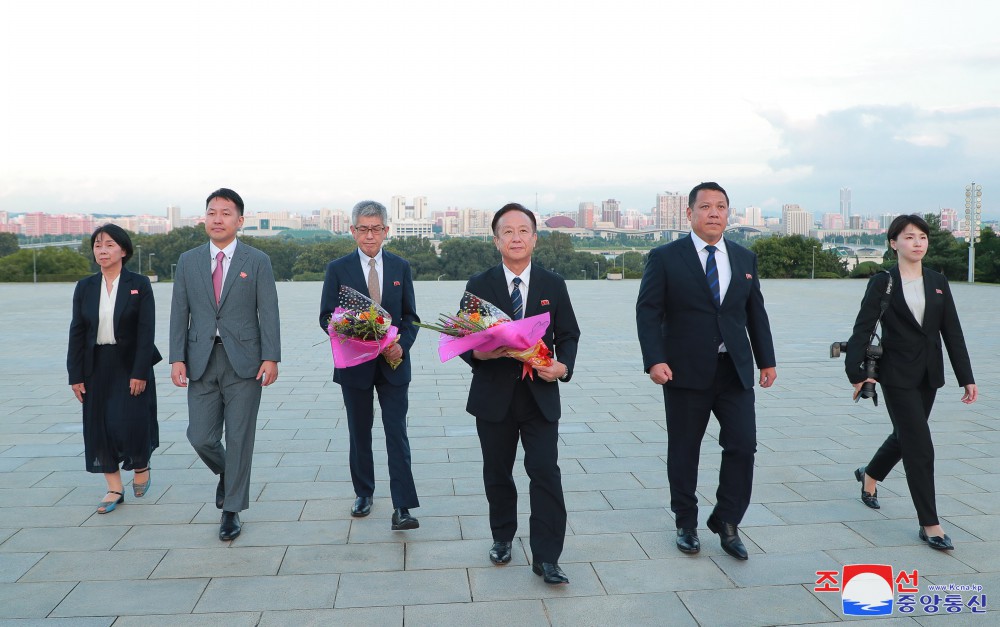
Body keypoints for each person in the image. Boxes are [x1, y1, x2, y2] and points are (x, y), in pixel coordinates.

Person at [636, 181, 776, 561]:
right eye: (706, 207)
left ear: (728, 214)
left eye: (721, 207)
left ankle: (727, 520)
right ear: (690, 214)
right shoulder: (666, 257)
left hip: (734, 369)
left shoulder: (744, 258)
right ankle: (686, 522)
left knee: (743, 445)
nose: (714, 213)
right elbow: (648, 311)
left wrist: (767, 359)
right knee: (685, 450)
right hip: (683, 371)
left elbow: (754, 313)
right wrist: (654, 359)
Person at [460, 203, 580, 584]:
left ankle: (547, 557)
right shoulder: (478, 285)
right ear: (496, 240)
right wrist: (480, 352)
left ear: (534, 238)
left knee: (545, 473)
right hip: (493, 397)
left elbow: (568, 334)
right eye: (507, 231)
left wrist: (563, 368)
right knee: (497, 473)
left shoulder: (552, 284)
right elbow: (464, 340)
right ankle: (502, 536)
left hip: (539, 396)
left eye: (523, 230)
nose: (516, 237)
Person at [846, 214, 977, 551]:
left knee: (905, 435)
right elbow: (862, 329)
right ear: (893, 243)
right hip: (896, 374)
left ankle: (870, 475)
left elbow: (952, 331)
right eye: (909, 237)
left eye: (922, 237)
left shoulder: (937, 280)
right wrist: (857, 374)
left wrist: (967, 377)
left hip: (929, 374)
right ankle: (930, 524)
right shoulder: (883, 281)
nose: (917, 243)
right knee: (920, 445)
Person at [169, 188, 281, 541]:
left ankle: (231, 510)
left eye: (226, 213)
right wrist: (176, 358)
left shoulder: (257, 260)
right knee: (200, 436)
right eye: (212, 212)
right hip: (200, 358)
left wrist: (271, 357)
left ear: (239, 221)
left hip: (245, 362)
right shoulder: (188, 261)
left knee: (240, 436)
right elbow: (178, 313)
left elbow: (269, 312)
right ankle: (226, 473)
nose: (218, 219)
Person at [319, 200, 421, 530]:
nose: (369, 235)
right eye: (363, 229)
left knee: (397, 433)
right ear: (352, 231)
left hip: (393, 365)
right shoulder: (338, 268)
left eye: (376, 229)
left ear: (386, 231)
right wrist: (357, 333)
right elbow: (326, 317)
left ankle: (403, 505)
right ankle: (364, 492)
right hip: (355, 366)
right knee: (359, 432)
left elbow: (411, 317)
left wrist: (400, 345)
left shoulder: (400, 267)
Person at [68, 224, 161, 513]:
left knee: (131, 422)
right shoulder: (85, 287)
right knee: (100, 427)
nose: (102, 250)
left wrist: (140, 371)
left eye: (109, 244)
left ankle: (141, 463)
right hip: (95, 365)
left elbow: (146, 332)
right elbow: (77, 331)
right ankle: (114, 488)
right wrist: (75, 375)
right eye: (97, 245)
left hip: (130, 364)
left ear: (123, 250)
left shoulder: (139, 284)